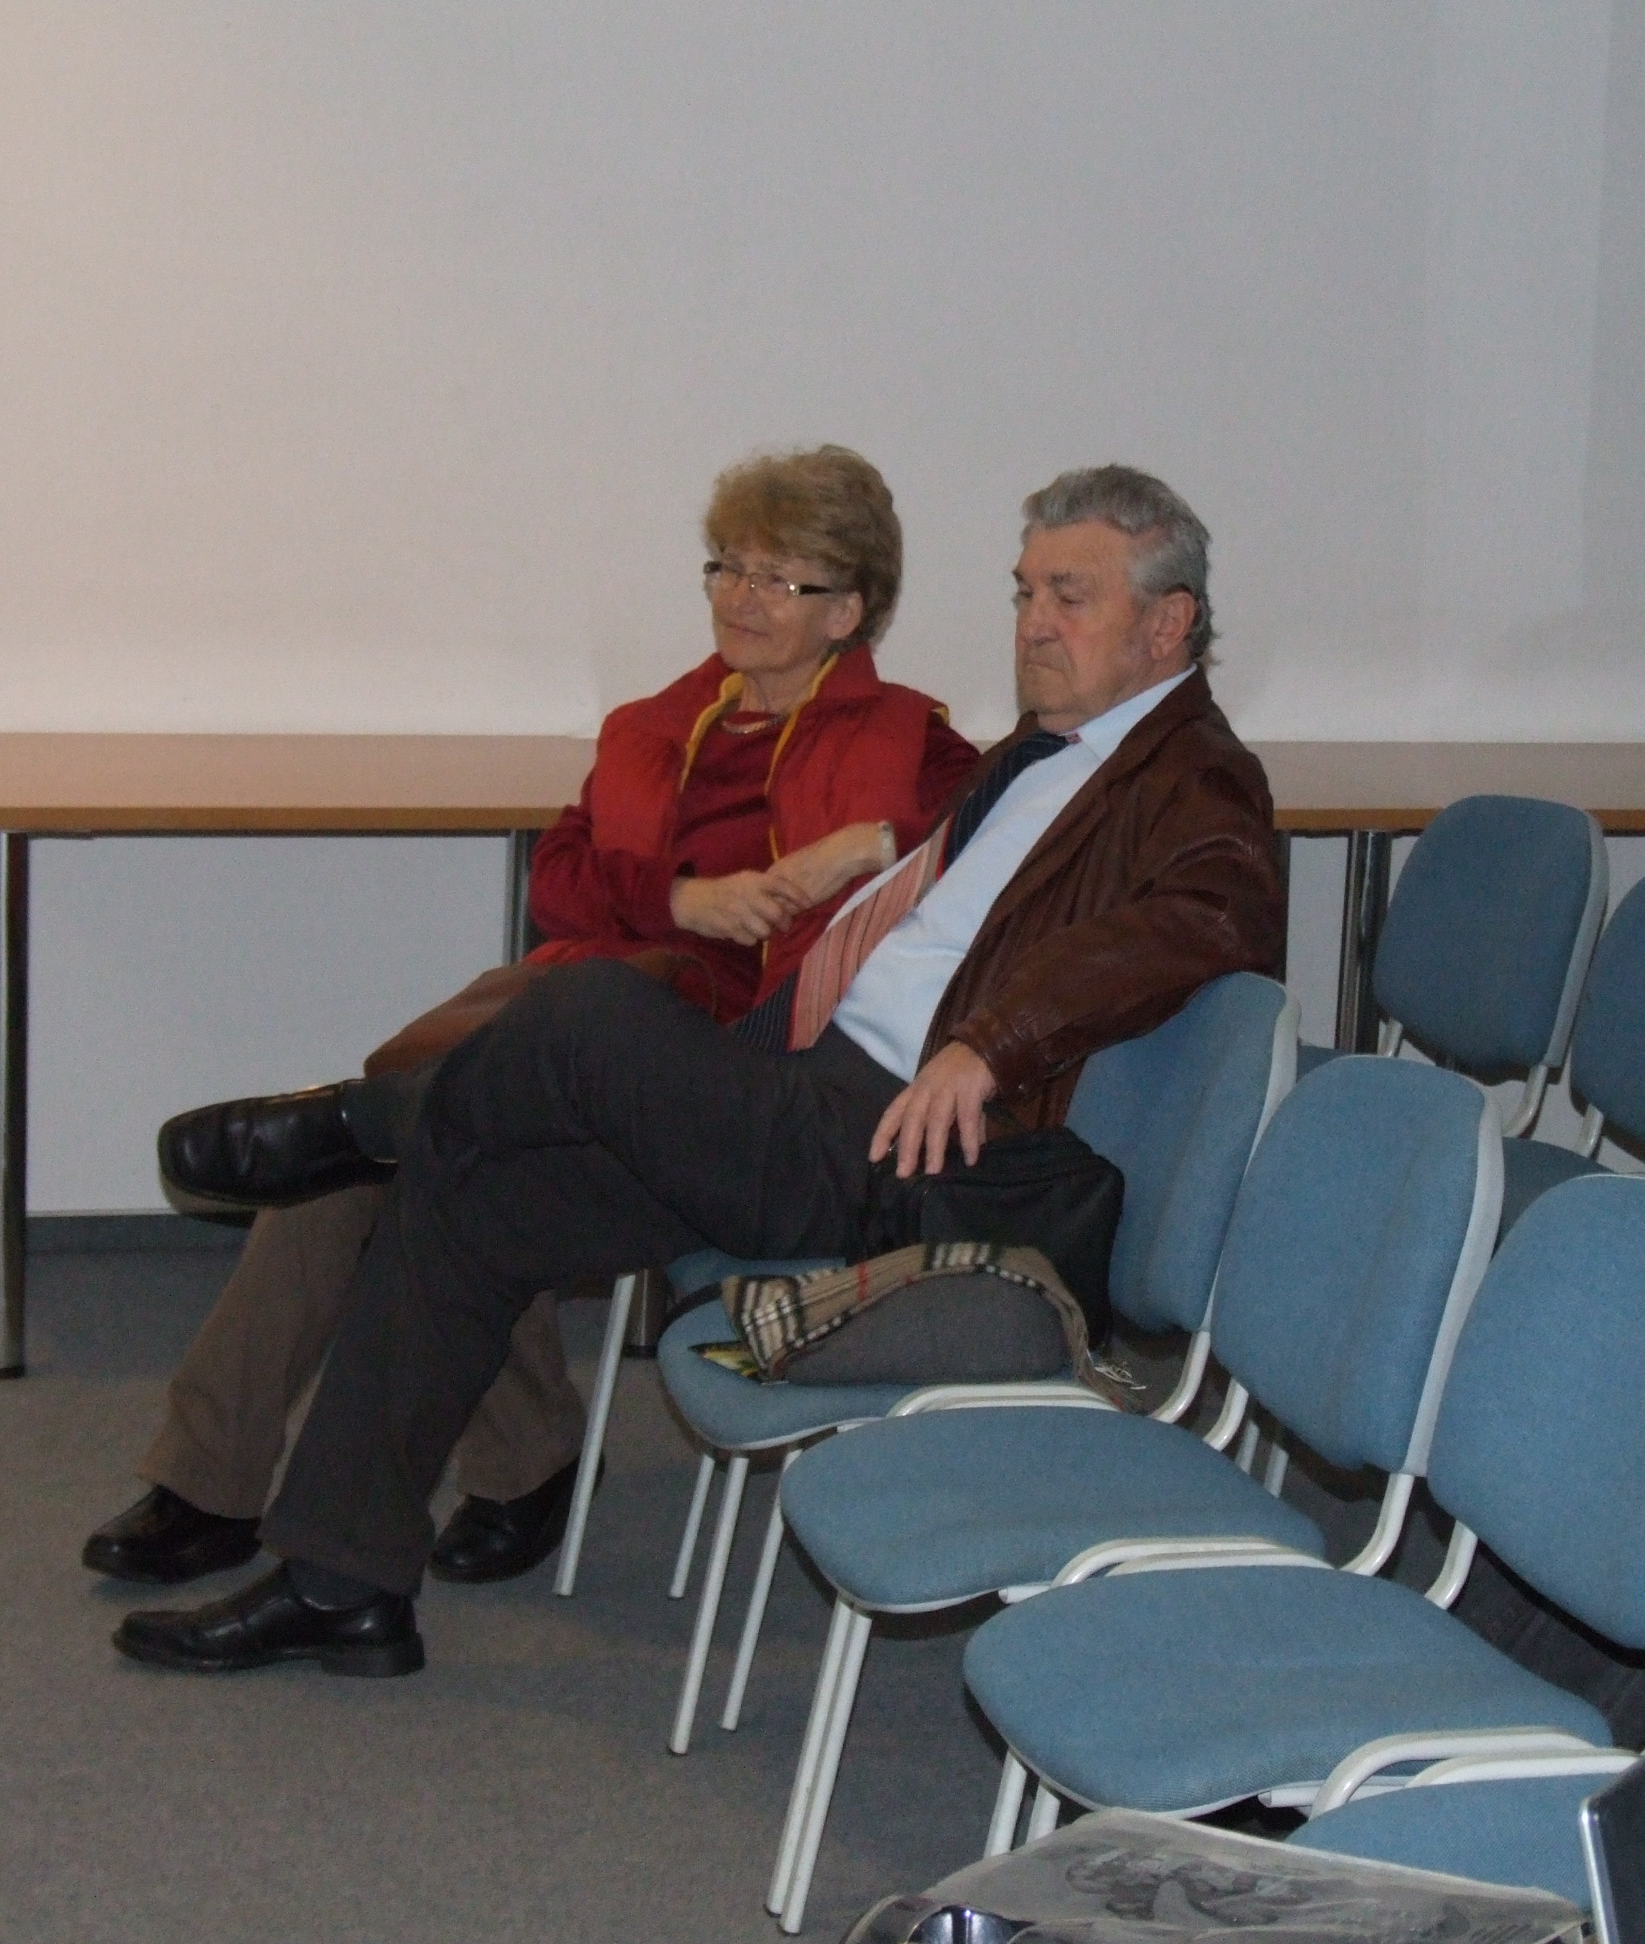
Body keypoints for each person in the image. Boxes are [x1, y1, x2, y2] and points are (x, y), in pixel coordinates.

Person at [110, 463, 1285, 1676]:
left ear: (1168, 622)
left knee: (591, 1009)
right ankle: (339, 1581)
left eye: (1069, 596)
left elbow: (1205, 920)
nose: (1034, 622)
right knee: (467, 1195)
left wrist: (996, 1041)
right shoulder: (1041, 754)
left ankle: (355, 1124)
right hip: (809, 1093)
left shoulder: (1193, 774)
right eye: (1025, 591)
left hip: (905, 1158)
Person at [83, 446, 977, 1592]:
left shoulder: (904, 737)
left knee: (409, 1150)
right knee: (356, 1166)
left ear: (847, 611)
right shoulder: (658, 723)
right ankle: (215, 1479)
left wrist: (865, 845)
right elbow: (559, 878)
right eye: (728, 567)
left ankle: (517, 1462)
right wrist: (680, 901)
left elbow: (1000, 827)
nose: (741, 598)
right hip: (586, 1013)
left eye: (778, 578)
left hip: (731, 1064)